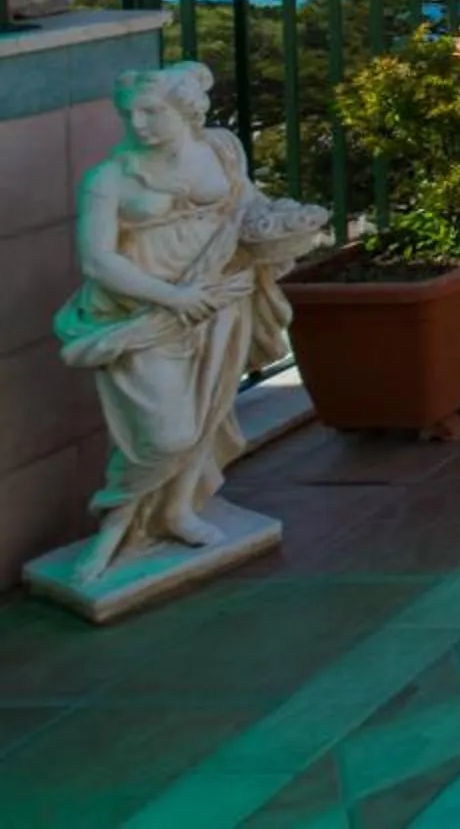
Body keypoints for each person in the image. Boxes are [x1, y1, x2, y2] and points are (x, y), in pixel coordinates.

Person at [54, 63, 323, 581]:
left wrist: (286, 225)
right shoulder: (109, 178)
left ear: (185, 110)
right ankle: (116, 522)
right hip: (146, 312)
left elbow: (245, 206)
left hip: (222, 294)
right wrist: (174, 297)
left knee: (206, 411)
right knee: (165, 433)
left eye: (152, 111)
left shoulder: (221, 150)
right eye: (129, 113)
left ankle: (176, 511)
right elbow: (98, 261)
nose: (139, 123)